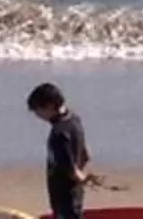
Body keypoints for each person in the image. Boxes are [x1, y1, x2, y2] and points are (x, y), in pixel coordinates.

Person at [27, 82, 95, 219]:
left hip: (63, 194)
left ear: (50, 106)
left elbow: (70, 169)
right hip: (76, 192)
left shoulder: (59, 134)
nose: (38, 116)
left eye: (38, 111)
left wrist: (80, 177)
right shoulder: (74, 120)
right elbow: (86, 154)